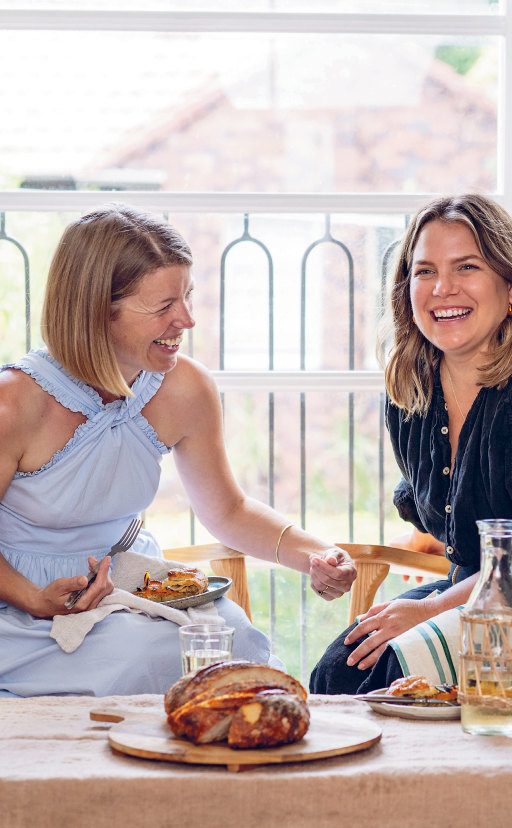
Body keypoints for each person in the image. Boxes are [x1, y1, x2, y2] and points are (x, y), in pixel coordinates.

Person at [0, 204, 356, 698]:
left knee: (234, 641)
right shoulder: (14, 404)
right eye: (163, 305)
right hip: (17, 605)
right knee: (149, 656)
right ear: (97, 309)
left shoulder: (184, 387)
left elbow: (228, 510)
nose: (185, 319)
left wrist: (315, 554)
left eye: (187, 296)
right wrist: (33, 598)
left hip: (131, 587)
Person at [310, 192, 512, 695]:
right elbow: (447, 522)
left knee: (391, 672)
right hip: (474, 596)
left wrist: (430, 609)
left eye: (466, 267)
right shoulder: (413, 387)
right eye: (424, 271)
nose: (442, 288)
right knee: (340, 670)